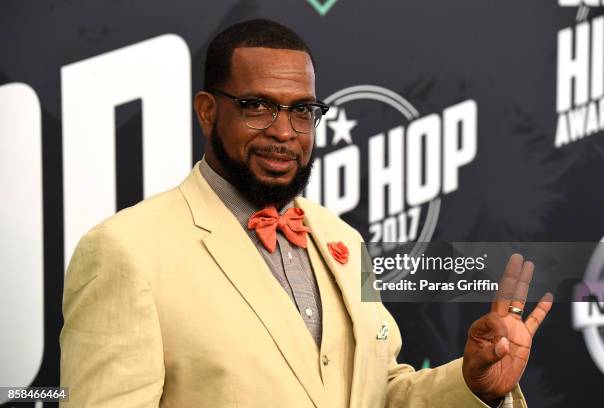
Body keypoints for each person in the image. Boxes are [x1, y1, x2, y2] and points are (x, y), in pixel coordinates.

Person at [60, 19, 553, 407]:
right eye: (258, 107)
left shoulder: (341, 237)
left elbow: (377, 391)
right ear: (208, 111)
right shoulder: (126, 252)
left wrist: (471, 383)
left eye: (302, 110)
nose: (284, 132)